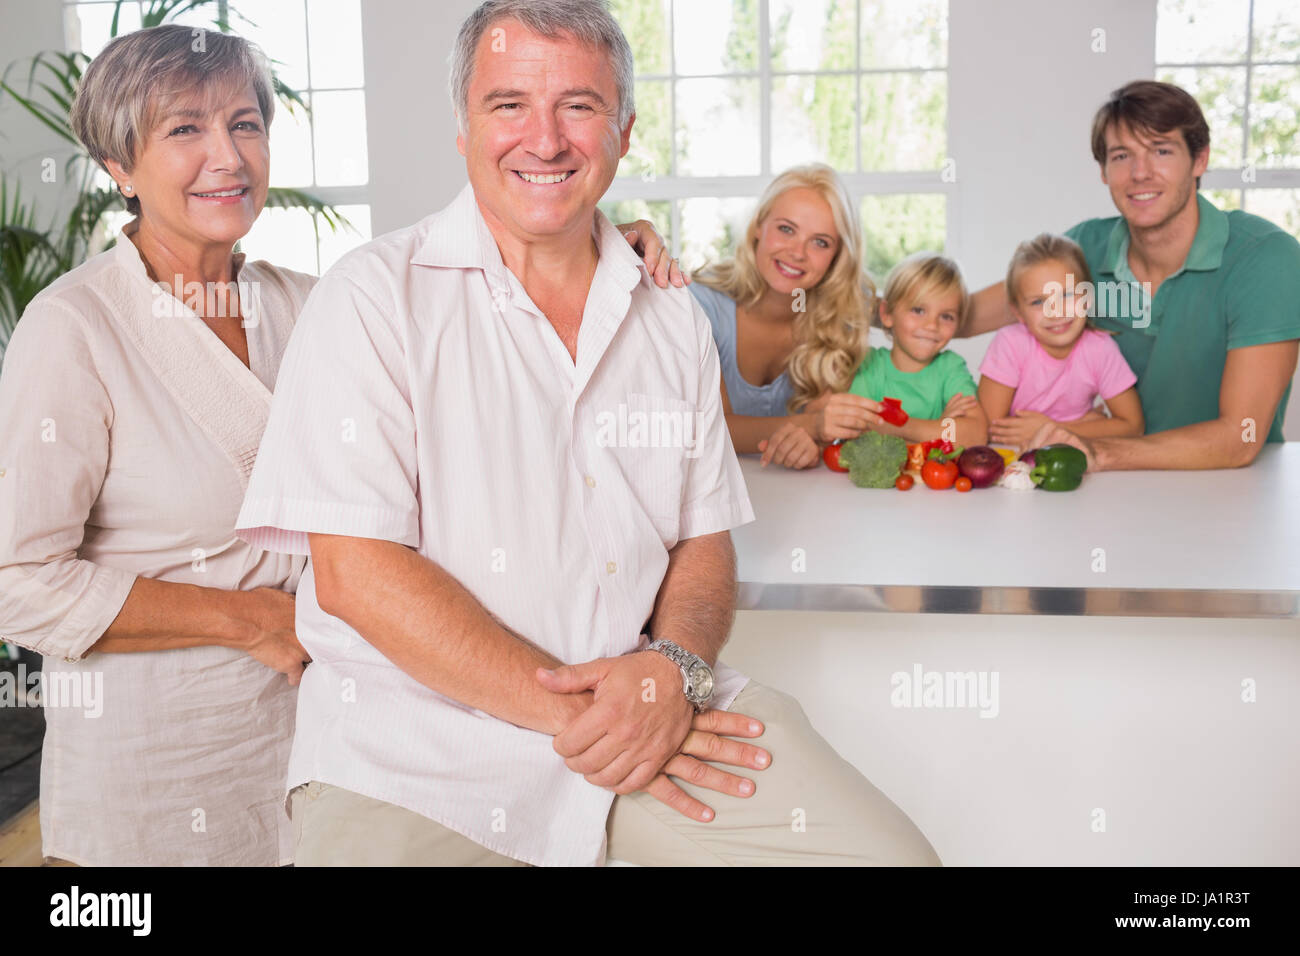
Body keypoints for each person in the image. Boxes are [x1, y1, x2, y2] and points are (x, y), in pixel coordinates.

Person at [235, 0, 940, 867]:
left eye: (578, 106)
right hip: (417, 750)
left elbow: (703, 538)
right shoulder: (372, 299)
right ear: (464, 128)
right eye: (508, 106)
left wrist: (677, 667)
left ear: (623, 131)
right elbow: (355, 576)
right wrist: (589, 719)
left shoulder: (670, 313)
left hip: (651, 700)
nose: (546, 138)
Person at [0, 23, 686, 866]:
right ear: (117, 164)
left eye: (245, 124)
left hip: (330, 748)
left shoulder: (316, 303)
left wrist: (605, 243)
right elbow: (17, 580)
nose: (228, 156)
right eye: (185, 129)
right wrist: (247, 620)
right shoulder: (74, 327)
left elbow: (491, 305)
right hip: (155, 761)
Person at [962, 80, 1300, 469]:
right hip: (1112, 490)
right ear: (1104, 171)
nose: (1140, 173)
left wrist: (1092, 448)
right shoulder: (1084, 250)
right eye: (1122, 156)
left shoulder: (1265, 258)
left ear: (1200, 159)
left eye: (1161, 150)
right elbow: (976, 313)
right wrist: (889, 308)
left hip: (1231, 490)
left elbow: (1239, 439)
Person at [690, 165, 883, 469]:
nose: (797, 252)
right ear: (758, 226)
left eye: (820, 242)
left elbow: (825, 430)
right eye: (786, 229)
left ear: (836, 257)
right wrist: (812, 426)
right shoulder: (700, 306)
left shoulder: (837, 317)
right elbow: (709, 428)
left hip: (792, 498)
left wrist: (808, 443)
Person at [977, 234, 1144, 450]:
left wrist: (1056, 429)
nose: (1055, 311)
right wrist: (1088, 427)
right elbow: (988, 429)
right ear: (1018, 312)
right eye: (1038, 301)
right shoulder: (1010, 343)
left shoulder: (1100, 348)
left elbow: (1133, 426)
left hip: (1074, 458)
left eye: (1066, 295)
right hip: (1013, 458)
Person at [844, 252, 989, 447]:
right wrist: (940, 429)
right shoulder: (870, 364)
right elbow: (857, 431)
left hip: (934, 478)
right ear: (887, 314)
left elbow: (975, 434)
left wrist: (896, 426)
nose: (932, 325)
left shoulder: (951, 368)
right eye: (918, 310)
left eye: (946, 316)